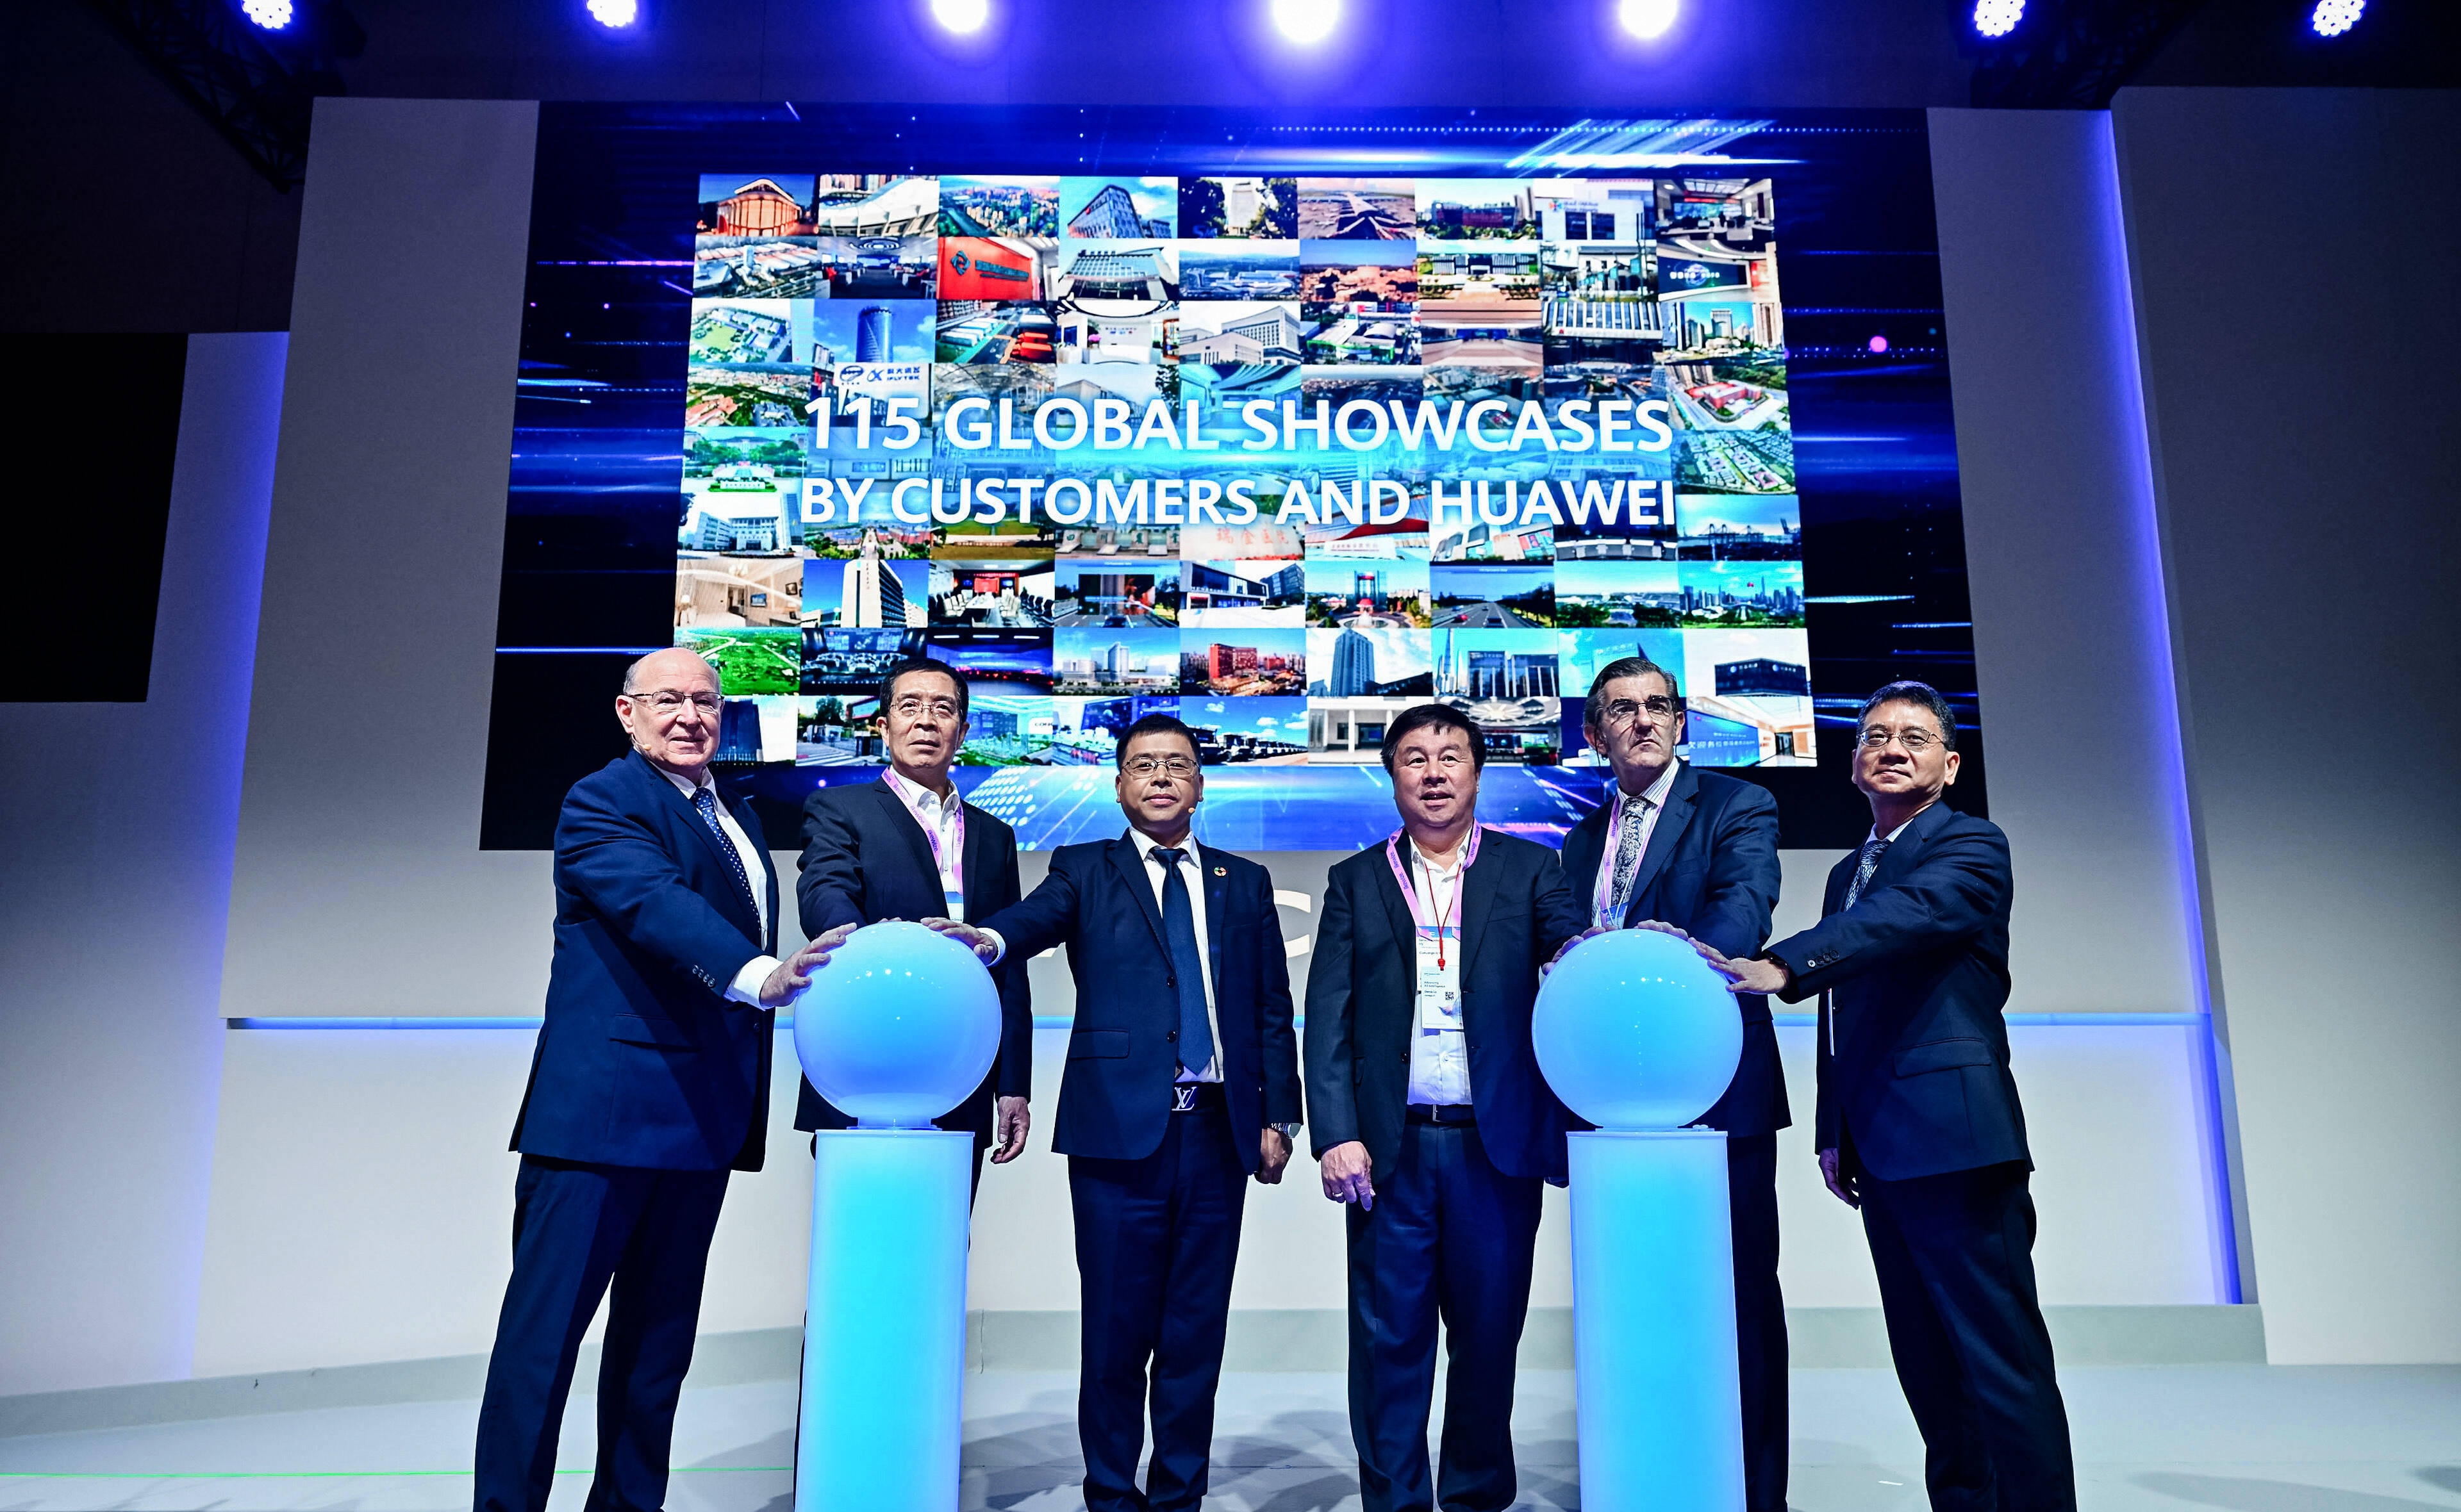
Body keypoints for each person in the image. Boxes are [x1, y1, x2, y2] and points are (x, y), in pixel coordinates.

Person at [472, 647, 832, 1512]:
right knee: (542, 1348)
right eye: (667, 699)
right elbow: (655, 904)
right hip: (600, 1121)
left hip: (699, 1121)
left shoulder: (735, 812)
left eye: (705, 701)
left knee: (656, 1352)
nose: (689, 716)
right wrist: (761, 974)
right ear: (626, 712)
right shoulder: (603, 799)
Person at [1704, 680, 2076, 1512]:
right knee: (1929, 1367)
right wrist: (1833, 1127)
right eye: (1875, 735)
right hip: (1879, 1148)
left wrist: (1784, 963)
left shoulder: (1970, 845)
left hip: (1957, 1143)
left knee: (2001, 1364)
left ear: (1951, 764)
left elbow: (1904, 918)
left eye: (1913, 736)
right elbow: (1849, 1008)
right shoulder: (1848, 871)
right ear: (1853, 762)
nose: (1892, 748)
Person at [929, 712, 1302, 1512]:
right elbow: (1030, 922)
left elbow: (1272, 1005)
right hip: (1117, 1133)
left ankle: (1179, 1496)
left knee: (1195, 1331)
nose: (1161, 776)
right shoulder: (1085, 868)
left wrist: (1281, 1115)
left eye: (1177, 764)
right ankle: (1108, 1492)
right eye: (1144, 765)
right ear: (1121, 784)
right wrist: (984, 938)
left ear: (1200, 785)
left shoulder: (1245, 880)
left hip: (1219, 1130)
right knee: (1114, 1331)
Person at [1303, 703, 1586, 1512]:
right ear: (1392, 775)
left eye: (1451, 755)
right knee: (1387, 1343)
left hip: (1494, 1147)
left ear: (1477, 772)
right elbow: (1328, 1016)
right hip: (1389, 1150)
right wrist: (1336, 1133)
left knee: (1489, 1339)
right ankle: (1395, 1501)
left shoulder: (1530, 869)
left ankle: (1475, 1496)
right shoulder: (1356, 879)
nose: (1434, 772)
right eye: (1415, 758)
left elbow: (1571, 952)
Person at [1552, 655, 1791, 1512]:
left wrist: (1674, 956)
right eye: (1623, 710)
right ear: (1596, 734)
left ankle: (1756, 1496)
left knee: (1737, 1300)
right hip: (1617, 1107)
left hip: (1717, 1086)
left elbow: (1743, 907)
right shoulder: (1582, 840)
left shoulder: (1736, 805)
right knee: (1641, 1303)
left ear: (1681, 722)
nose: (1644, 720)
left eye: (1659, 706)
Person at [793, 657, 1031, 1197]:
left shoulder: (995, 836)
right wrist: (867, 944)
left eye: (942, 709)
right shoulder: (840, 808)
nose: (926, 720)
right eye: (910, 707)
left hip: (963, 1066)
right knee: (862, 1230)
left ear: (962, 732)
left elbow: (1009, 968)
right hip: (868, 1058)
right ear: (884, 726)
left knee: (948, 1234)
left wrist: (1013, 1084)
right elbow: (824, 891)